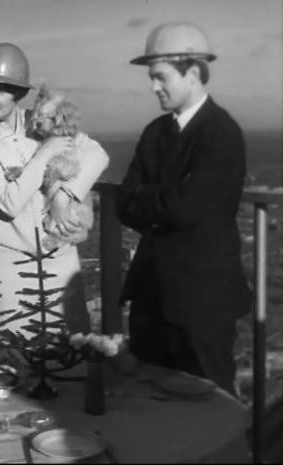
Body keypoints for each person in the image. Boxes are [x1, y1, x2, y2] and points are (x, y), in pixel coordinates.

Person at [116, 22, 251, 395]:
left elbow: (185, 207)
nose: (153, 87)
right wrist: (167, 198)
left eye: (160, 76)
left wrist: (151, 199)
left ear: (192, 72)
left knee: (212, 405)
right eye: (151, 77)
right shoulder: (155, 132)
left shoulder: (221, 134)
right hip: (151, 299)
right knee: (150, 403)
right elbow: (125, 203)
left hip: (201, 305)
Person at [0, 43, 108, 343]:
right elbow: (8, 203)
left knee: (71, 350)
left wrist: (65, 197)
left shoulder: (41, 119)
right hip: (10, 261)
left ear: (17, 92)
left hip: (60, 255)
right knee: (13, 350)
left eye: (1, 89)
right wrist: (45, 154)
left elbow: (97, 154)